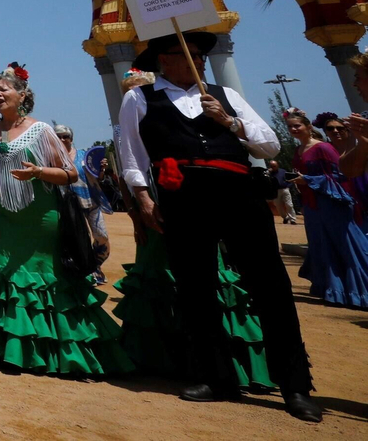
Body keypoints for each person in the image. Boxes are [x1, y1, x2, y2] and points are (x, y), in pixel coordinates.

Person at [117, 34, 318, 420]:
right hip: (184, 200)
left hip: (240, 196)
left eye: (201, 55)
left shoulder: (225, 95)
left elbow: (271, 145)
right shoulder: (140, 98)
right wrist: (143, 199)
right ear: (165, 60)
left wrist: (230, 122)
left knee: (271, 286)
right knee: (196, 288)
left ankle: (294, 385)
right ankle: (216, 377)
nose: (200, 61)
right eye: (189, 55)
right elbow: (131, 154)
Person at [110, 67, 272, 392]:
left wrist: (229, 122)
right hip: (164, 206)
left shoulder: (213, 101)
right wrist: (138, 210)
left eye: (142, 87)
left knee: (235, 281)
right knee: (185, 284)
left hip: (219, 199)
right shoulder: (131, 114)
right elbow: (129, 168)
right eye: (133, 88)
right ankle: (190, 361)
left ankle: (247, 361)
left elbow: (267, 145)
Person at [0, 63, 130, 377]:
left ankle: (57, 352)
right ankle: (12, 350)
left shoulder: (41, 130)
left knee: (44, 280)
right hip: (6, 219)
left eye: (4, 89)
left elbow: (70, 173)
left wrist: (38, 172)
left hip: (41, 218)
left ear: (22, 95)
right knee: (9, 280)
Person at [282, 107, 368, 308]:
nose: (294, 129)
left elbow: (342, 175)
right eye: (290, 127)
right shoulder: (298, 150)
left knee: (346, 246)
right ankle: (336, 291)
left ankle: (361, 292)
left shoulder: (323, 148)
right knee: (322, 247)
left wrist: (309, 179)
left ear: (308, 126)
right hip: (312, 206)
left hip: (332, 204)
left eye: (298, 125)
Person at [54, 124, 109, 269]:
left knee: (102, 237)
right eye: (58, 136)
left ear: (71, 139)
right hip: (69, 207)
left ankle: (96, 264)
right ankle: (90, 270)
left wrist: (101, 169)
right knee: (79, 239)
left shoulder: (85, 155)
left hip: (91, 202)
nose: (62, 139)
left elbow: (98, 177)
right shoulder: (52, 160)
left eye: (65, 136)